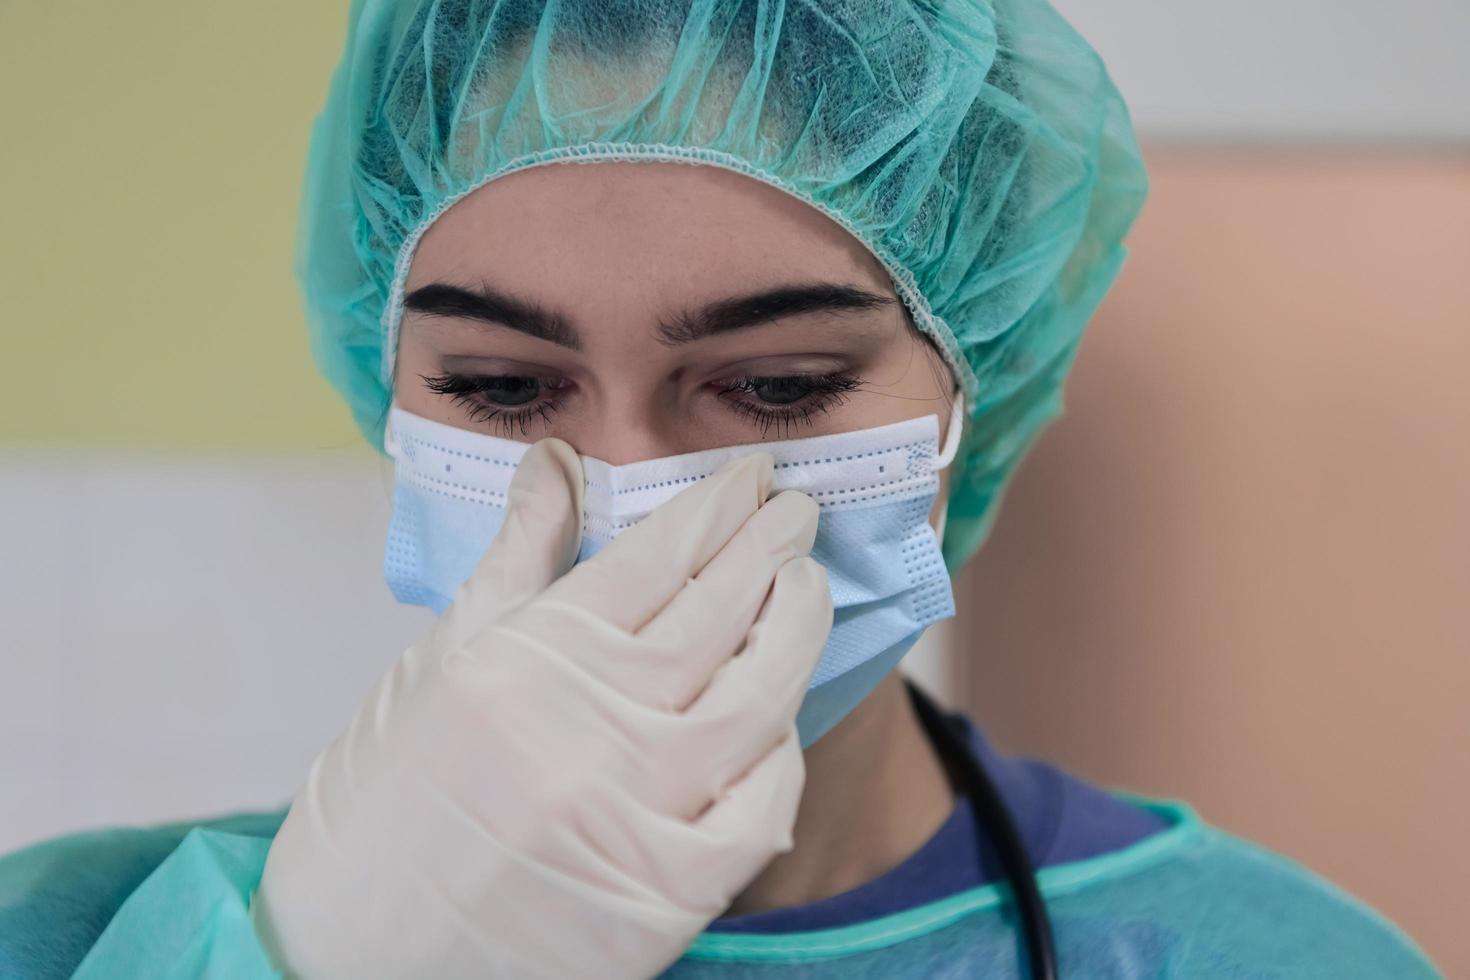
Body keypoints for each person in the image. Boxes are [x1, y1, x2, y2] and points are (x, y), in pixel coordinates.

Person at [0, 0, 1442, 977]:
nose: (631, 488)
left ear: (971, 396)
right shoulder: (71, 936)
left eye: (774, 387)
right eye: (503, 389)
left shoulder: (1257, 957)